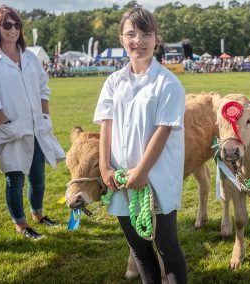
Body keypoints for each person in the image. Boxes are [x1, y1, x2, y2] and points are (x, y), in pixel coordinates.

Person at [93, 8, 187, 284]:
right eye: (131, 34)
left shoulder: (168, 83)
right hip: (121, 179)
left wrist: (143, 171)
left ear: (156, 39)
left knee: (167, 248)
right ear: (121, 39)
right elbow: (106, 124)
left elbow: (163, 129)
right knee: (139, 249)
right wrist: (104, 166)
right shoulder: (113, 82)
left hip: (154, 178)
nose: (139, 40)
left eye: (146, 34)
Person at [0, 6, 65, 240]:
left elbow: (44, 88)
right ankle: (21, 226)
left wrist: (44, 117)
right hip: (9, 130)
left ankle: (38, 214)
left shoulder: (30, 57)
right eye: (7, 25)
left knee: (38, 177)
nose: (13, 30)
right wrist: (6, 122)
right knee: (15, 178)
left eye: (17, 25)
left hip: (36, 127)